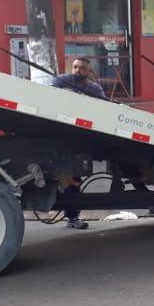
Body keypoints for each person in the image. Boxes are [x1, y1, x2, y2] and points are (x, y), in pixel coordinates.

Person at [49, 57, 106, 230]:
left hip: (79, 140)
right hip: (56, 137)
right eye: (75, 67)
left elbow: (105, 110)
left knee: (74, 179)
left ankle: (72, 217)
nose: (77, 71)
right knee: (55, 176)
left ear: (89, 72)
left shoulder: (95, 89)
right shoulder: (60, 81)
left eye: (81, 68)